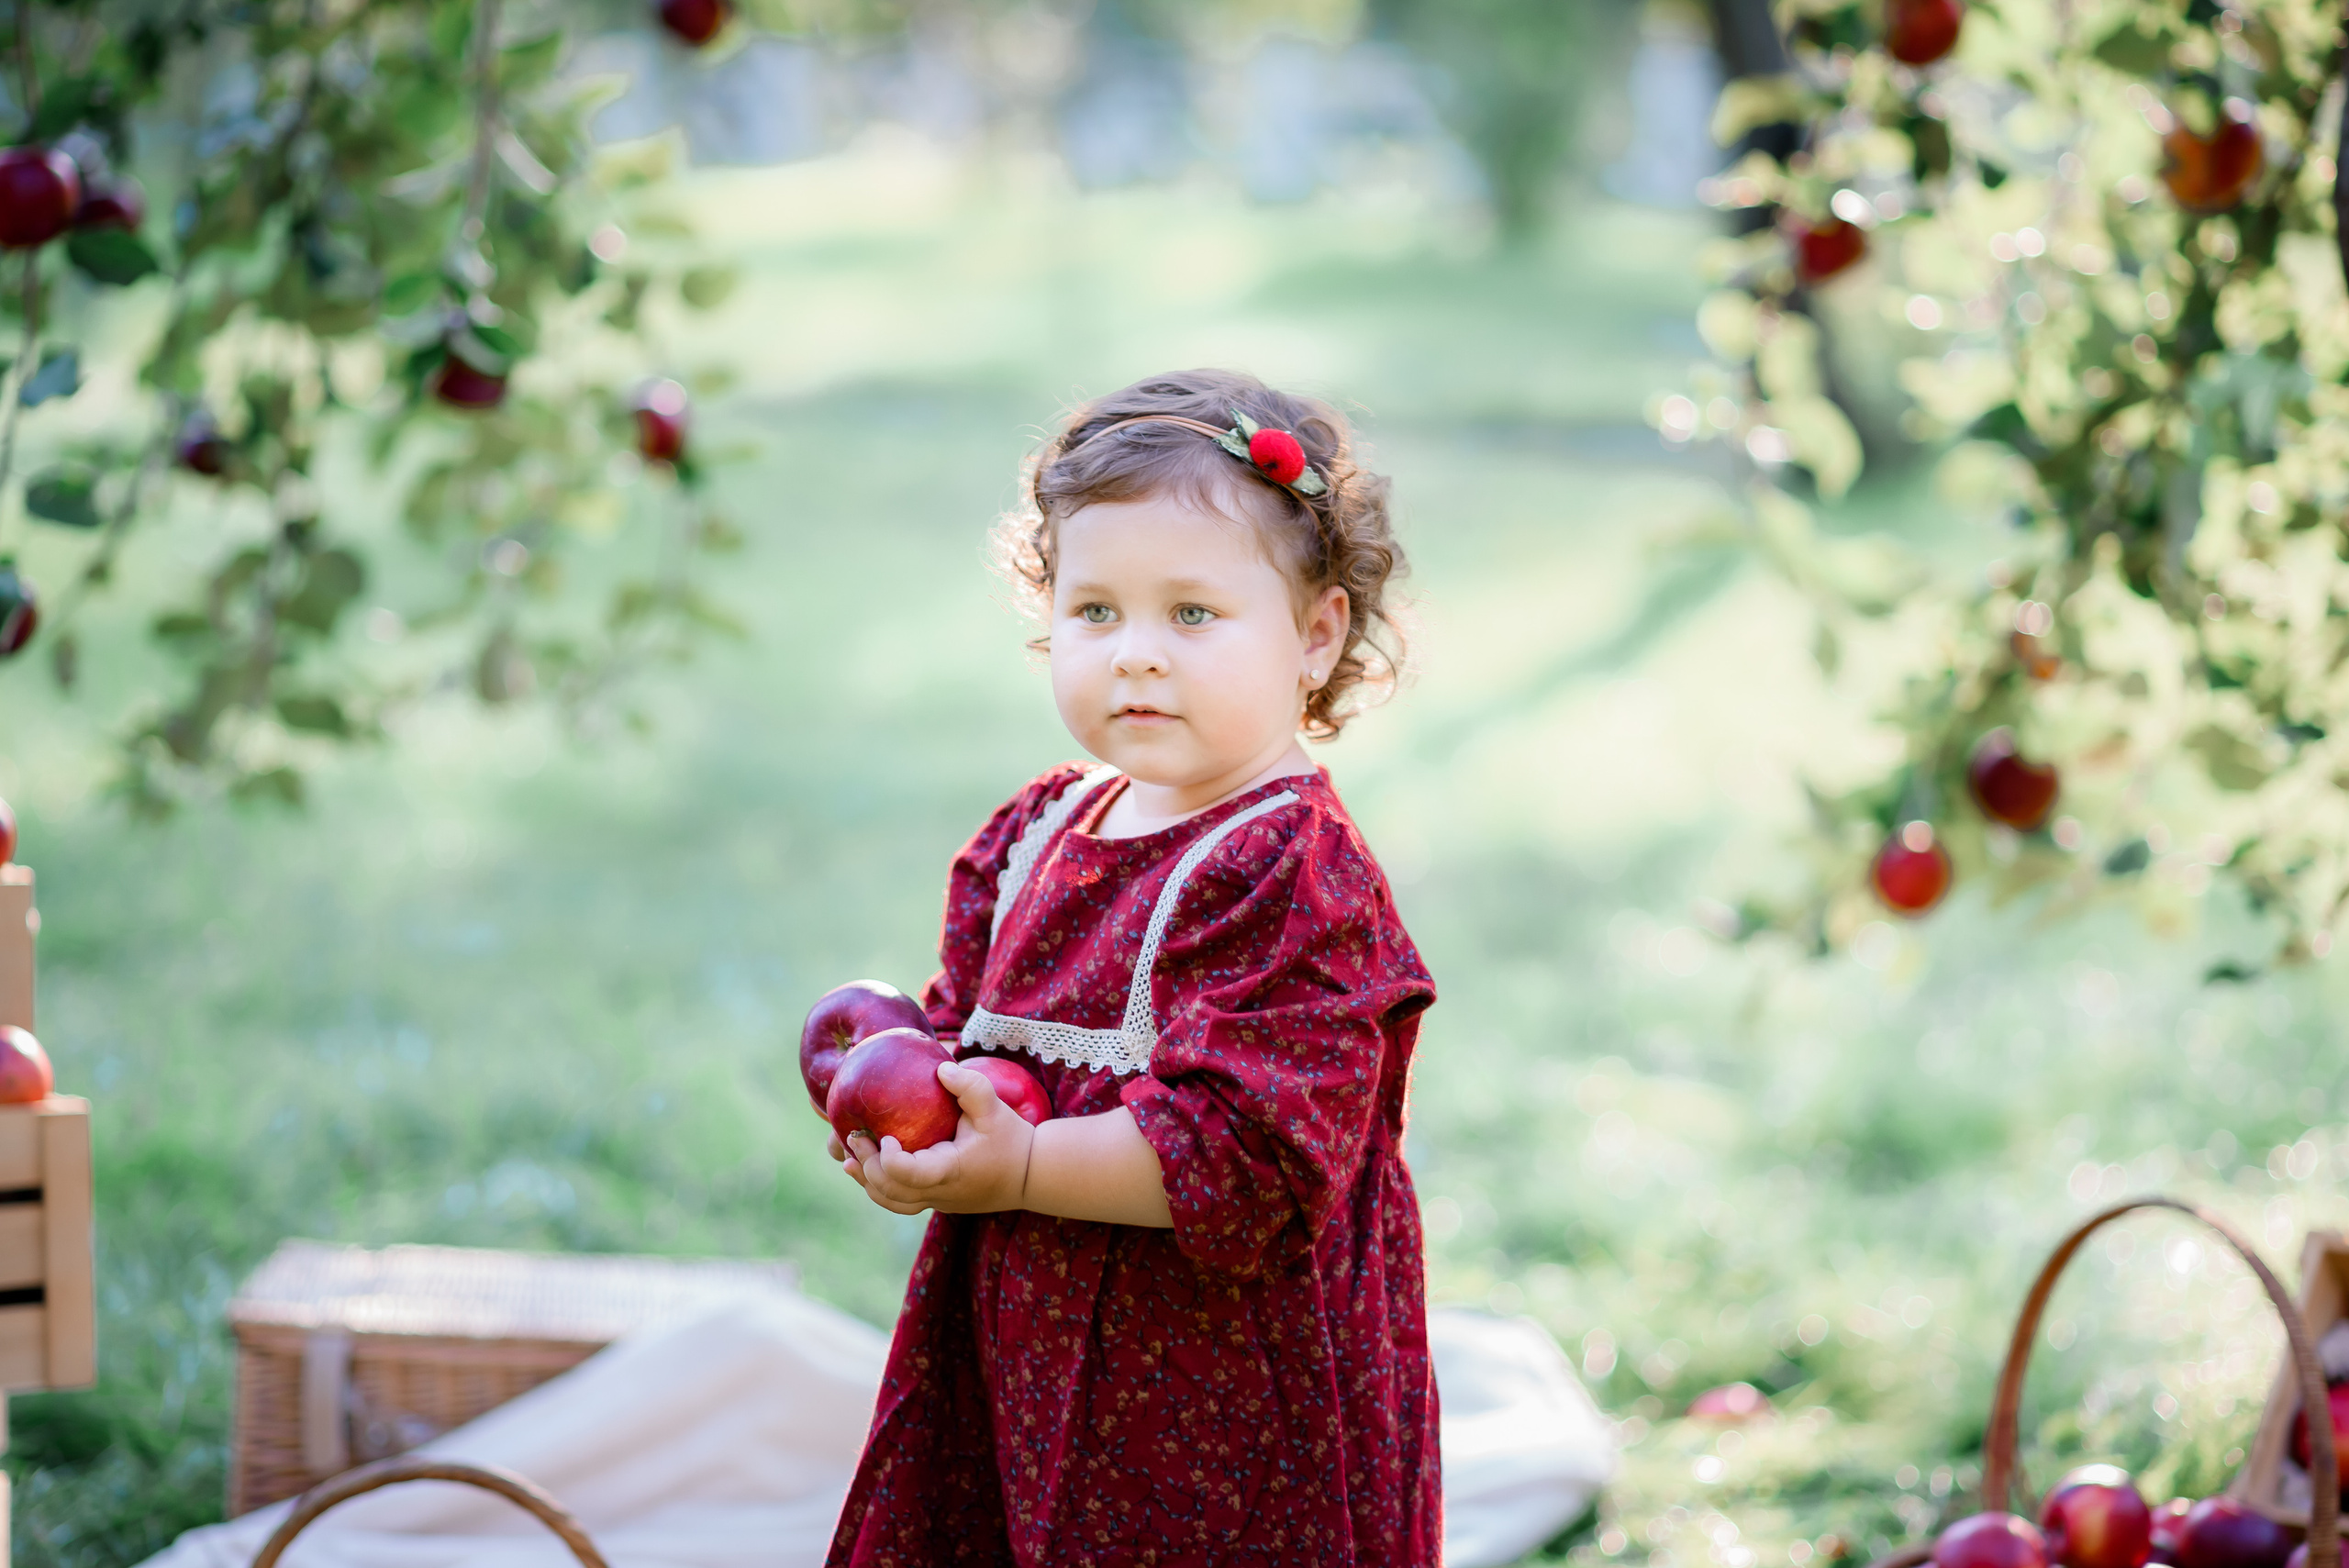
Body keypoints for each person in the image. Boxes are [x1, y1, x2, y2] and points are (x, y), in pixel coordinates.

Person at [825, 368, 1439, 1567]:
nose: (1137, 657)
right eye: (1096, 611)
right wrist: (921, 1118)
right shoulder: (1038, 832)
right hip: (1033, 1338)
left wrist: (1021, 1170)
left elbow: (1250, 1152)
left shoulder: (1286, 869)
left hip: (1222, 1384)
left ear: (1315, 635)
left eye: (1193, 615)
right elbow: (965, 1042)